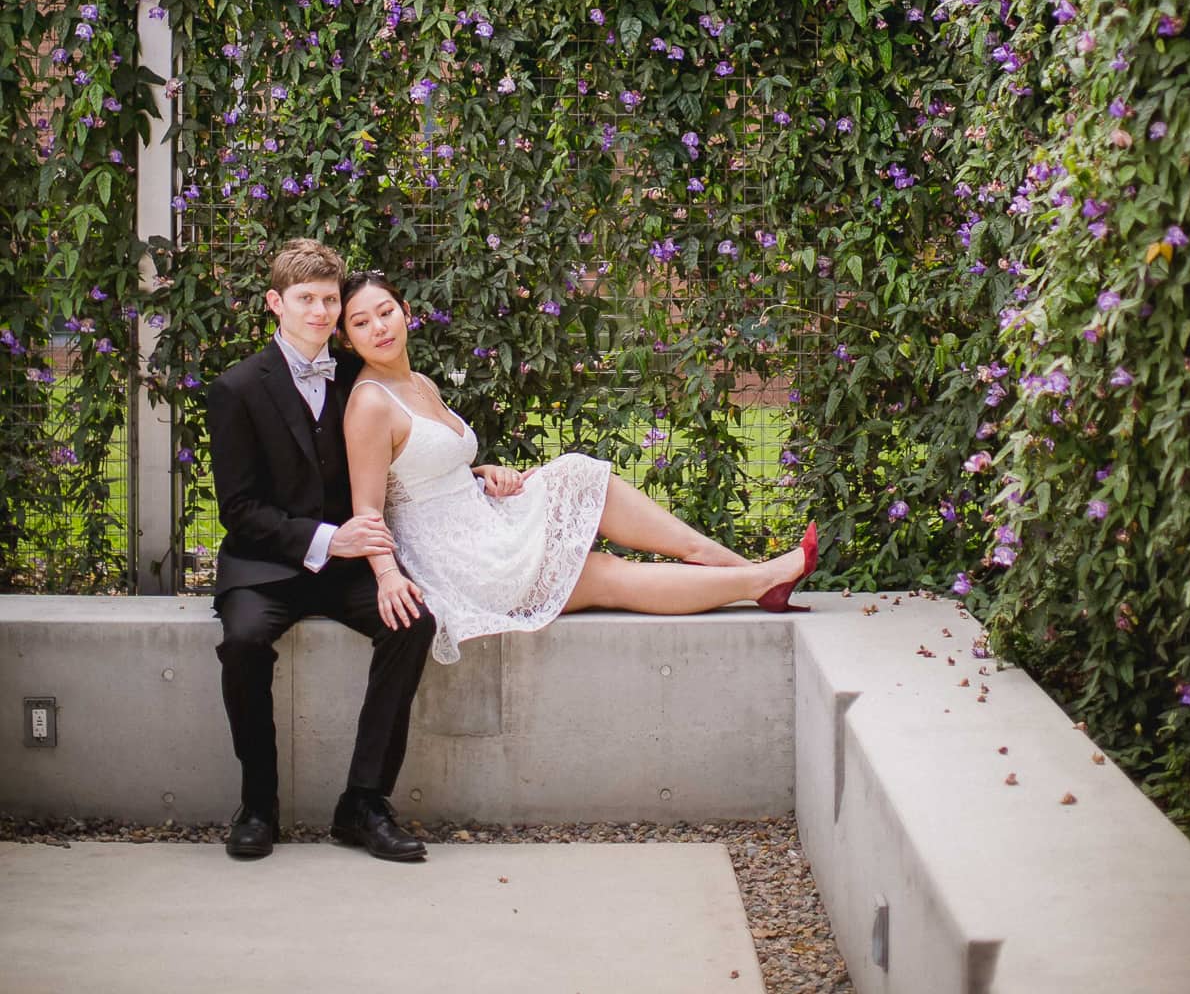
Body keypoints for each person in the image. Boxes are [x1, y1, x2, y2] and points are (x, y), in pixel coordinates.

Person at [339, 269, 819, 667]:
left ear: (406, 313)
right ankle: (761, 580)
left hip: (482, 519)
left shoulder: (418, 381)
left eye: (385, 313)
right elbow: (368, 508)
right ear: (346, 337)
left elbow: (422, 464)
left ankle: (756, 575)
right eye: (361, 323)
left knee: (580, 473)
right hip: (461, 561)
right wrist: (387, 577)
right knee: (603, 574)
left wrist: (481, 471)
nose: (379, 328)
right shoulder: (369, 403)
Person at [207, 239, 435, 862]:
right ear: (275, 303)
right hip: (264, 565)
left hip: (342, 568)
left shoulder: (357, 383)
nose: (320, 312)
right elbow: (239, 509)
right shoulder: (237, 389)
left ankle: (363, 802)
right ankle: (258, 805)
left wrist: (477, 473)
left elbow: (397, 461)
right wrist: (328, 538)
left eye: (330, 300)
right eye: (306, 299)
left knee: (413, 623)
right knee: (245, 642)